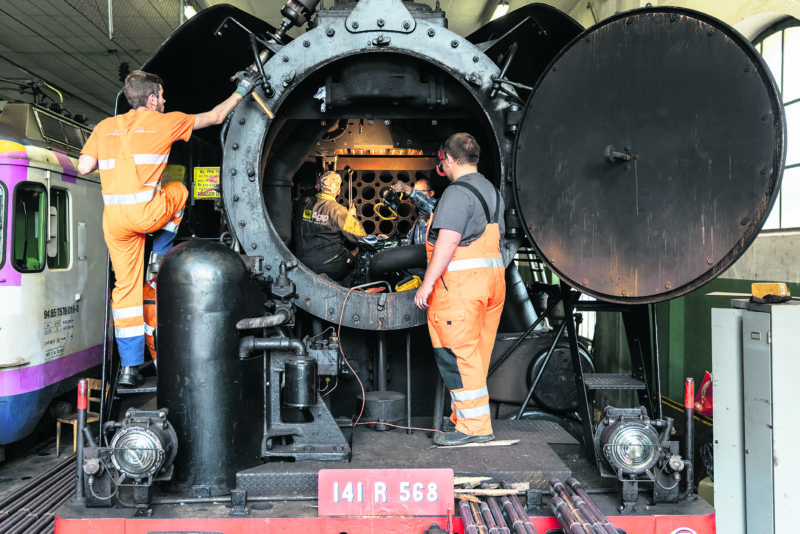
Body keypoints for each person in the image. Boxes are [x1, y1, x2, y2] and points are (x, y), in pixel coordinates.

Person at [77, 69, 260, 386]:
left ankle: (129, 369)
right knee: (179, 189)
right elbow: (216, 116)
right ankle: (159, 255)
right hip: (146, 214)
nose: (164, 101)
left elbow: (84, 166)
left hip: (115, 221)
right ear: (151, 99)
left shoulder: (105, 127)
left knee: (126, 292)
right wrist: (243, 90)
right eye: (161, 96)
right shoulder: (165, 121)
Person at [415, 133, 506, 446]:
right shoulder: (491, 190)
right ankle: (466, 418)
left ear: (448, 160)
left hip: (462, 289)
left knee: (457, 356)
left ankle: (474, 428)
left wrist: (426, 285)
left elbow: (449, 241)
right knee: (475, 356)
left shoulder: (456, 193)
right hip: (492, 284)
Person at [294, 170, 366, 283]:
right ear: (338, 191)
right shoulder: (339, 211)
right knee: (356, 261)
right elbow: (361, 238)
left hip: (303, 263)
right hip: (331, 267)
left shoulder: (304, 202)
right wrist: (352, 216)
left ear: (320, 186)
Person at [392, 178, 436, 245]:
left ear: (431, 193)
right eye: (416, 191)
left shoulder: (438, 209)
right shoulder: (418, 222)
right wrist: (388, 242)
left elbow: (428, 205)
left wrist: (408, 190)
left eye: (421, 192)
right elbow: (408, 244)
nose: (417, 195)